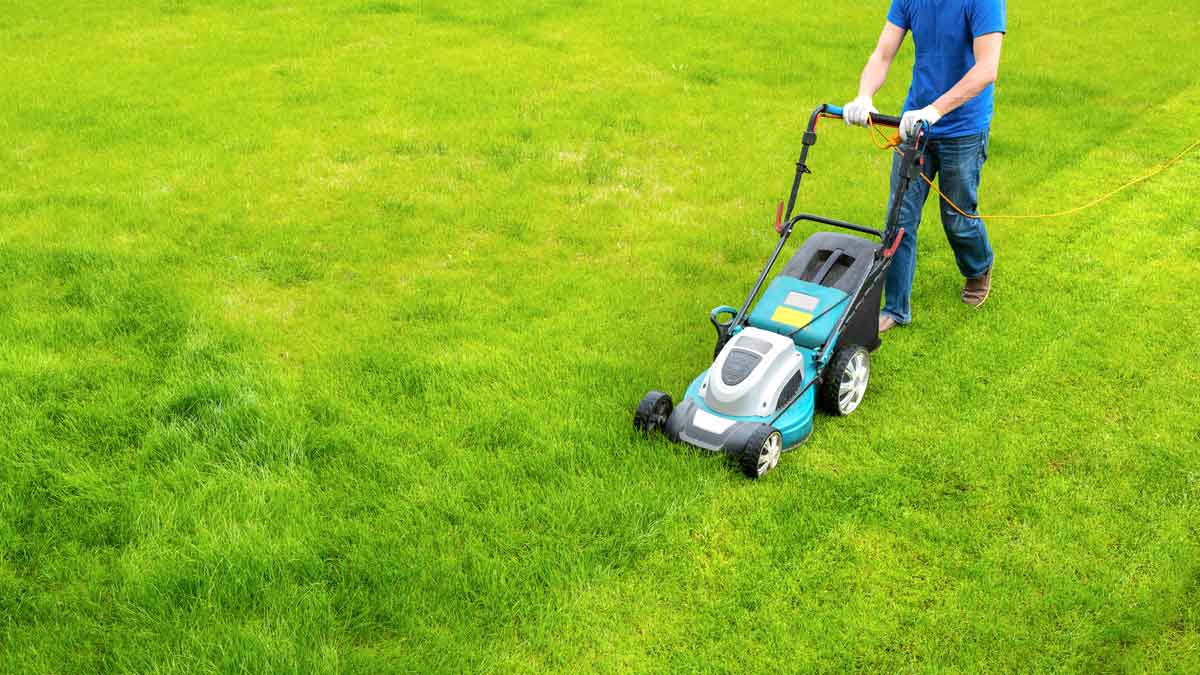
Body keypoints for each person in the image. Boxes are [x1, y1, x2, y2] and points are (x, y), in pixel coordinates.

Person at [842, 0, 1006, 332]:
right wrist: (864, 95)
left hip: (963, 127)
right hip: (914, 124)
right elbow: (882, 54)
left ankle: (978, 267)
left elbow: (987, 68)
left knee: (958, 218)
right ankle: (895, 308)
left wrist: (935, 111)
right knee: (899, 217)